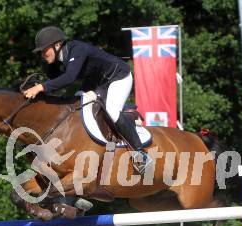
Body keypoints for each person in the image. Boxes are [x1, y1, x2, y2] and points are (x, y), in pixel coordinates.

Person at [23, 26, 153, 174]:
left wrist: (40, 87)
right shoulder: (56, 61)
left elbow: (69, 78)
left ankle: (140, 154)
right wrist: (34, 88)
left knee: (111, 109)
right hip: (98, 82)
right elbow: (52, 83)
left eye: (44, 50)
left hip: (118, 76)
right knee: (76, 104)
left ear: (57, 45)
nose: (42, 54)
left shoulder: (77, 49)